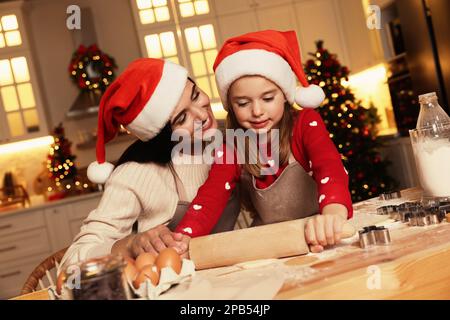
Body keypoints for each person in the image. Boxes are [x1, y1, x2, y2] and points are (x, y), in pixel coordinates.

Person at [174, 30, 353, 253]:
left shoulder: (305, 123)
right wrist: (183, 237)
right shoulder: (234, 144)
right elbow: (212, 194)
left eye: (268, 98)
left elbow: (329, 167)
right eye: (242, 103)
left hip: (318, 232)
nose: (257, 111)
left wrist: (332, 215)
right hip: (271, 242)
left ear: (285, 95)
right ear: (230, 106)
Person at [60, 58, 240, 267]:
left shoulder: (227, 139)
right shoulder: (137, 174)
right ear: (162, 134)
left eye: (195, 95)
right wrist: (130, 245)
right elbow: (71, 262)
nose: (202, 114)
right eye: (181, 119)